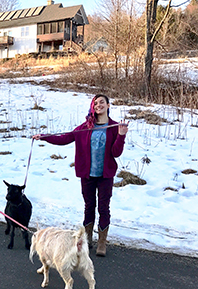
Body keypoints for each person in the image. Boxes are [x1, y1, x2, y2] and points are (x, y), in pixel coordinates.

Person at [32, 94, 129, 257]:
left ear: (108, 105)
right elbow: (64, 138)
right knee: (89, 207)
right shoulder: (86, 127)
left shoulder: (113, 127)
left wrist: (121, 135)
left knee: (104, 208)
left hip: (105, 175)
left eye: (102, 102)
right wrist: (45, 137)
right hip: (87, 175)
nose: (98, 105)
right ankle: (88, 239)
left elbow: (116, 153)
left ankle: (102, 243)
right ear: (93, 107)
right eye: (95, 103)